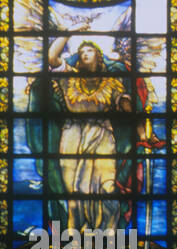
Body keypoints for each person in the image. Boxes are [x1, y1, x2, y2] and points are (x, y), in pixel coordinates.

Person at [26, 34, 157, 235]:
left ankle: (110, 238)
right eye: (81, 52)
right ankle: (76, 244)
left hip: (102, 135)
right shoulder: (68, 77)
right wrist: (69, 31)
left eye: (89, 50)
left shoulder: (111, 82)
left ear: (98, 56)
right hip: (72, 136)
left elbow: (127, 107)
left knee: (107, 188)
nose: (85, 54)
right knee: (74, 195)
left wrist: (142, 133)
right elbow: (51, 56)